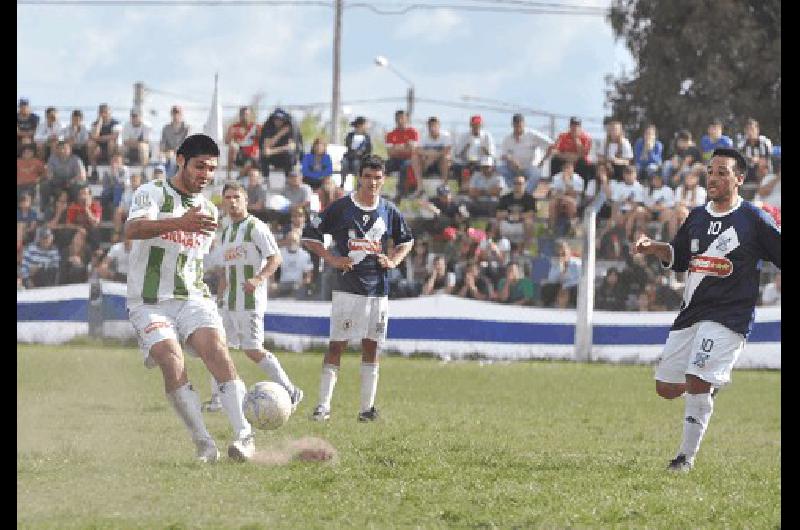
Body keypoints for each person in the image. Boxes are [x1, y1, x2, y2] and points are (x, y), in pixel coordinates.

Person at [634, 147, 780, 472]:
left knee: (697, 379)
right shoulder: (698, 216)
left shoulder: (753, 219)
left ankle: (684, 459)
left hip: (729, 318)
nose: (713, 178)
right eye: (710, 171)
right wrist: (655, 248)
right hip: (691, 314)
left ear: (739, 179)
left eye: (722, 172)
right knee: (667, 389)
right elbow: (680, 258)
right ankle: (708, 388)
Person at [124, 133, 256, 462]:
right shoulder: (151, 192)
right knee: (171, 359)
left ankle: (244, 436)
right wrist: (180, 222)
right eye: (199, 167)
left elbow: (197, 259)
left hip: (193, 296)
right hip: (149, 301)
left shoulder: (209, 210)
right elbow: (133, 230)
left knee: (217, 352)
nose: (205, 175)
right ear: (180, 160)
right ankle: (204, 443)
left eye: (211, 169)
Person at [301, 154, 414, 422]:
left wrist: (394, 260)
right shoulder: (341, 208)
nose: (372, 183)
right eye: (368, 177)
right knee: (337, 345)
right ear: (359, 177)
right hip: (347, 288)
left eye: (377, 178)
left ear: (383, 180)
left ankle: (366, 409)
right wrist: (331, 259)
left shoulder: (388, 210)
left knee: (372, 346)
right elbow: (310, 235)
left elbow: (406, 240)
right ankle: (323, 406)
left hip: (378, 290)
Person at [202, 182, 304, 413]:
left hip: (250, 301)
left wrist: (258, 279)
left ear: (246, 200)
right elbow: (226, 271)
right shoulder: (226, 232)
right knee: (216, 347)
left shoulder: (256, 227)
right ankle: (218, 399)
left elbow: (275, 258)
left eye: (236, 197)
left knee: (252, 350)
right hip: (228, 301)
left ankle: (291, 390)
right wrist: (220, 298)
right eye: (227, 197)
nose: (232, 201)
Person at [498, 113, 550, 191]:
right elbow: (502, 155)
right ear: (512, 124)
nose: (518, 127)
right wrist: (510, 160)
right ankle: (512, 192)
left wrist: (542, 161)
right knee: (499, 169)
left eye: (520, 124)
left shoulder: (532, 134)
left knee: (536, 173)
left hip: (530, 168)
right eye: (516, 124)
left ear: (524, 123)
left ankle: (526, 194)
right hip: (514, 169)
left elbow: (552, 145)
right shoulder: (507, 139)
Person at [385, 110, 420, 199]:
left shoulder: (413, 132)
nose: (400, 120)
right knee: (380, 166)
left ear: (407, 119)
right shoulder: (390, 134)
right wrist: (405, 146)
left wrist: (397, 147)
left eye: (402, 118)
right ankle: (375, 191)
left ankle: (400, 193)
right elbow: (390, 152)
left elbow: (413, 150)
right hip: (394, 159)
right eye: (397, 118)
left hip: (409, 160)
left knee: (405, 166)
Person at [412, 116, 453, 188]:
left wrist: (434, 155)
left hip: (441, 164)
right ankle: (420, 187)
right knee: (415, 158)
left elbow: (447, 150)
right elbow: (417, 150)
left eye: (434, 125)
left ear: (439, 126)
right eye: (430, 126)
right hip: (427, 163)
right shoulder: (424, 136)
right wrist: (429, 155)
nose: (432, 128)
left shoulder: (445, 136)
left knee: (445, 158)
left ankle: (445, 186)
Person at [224, 106, 260, 179]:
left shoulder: (256, 127)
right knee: (232, 146)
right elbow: (226, 142)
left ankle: (238, 178)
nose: (244, 116)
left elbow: (262, 142)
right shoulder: (234, 127)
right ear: (240, 116)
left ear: (250, 115)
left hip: (252, 155)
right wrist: (231, 135)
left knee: (250, 163)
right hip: (240, 154)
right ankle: (228, 175)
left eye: (246, 114)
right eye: (242, 114)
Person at [259, 108, 296, 177]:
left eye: (281, 119)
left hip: (285, 158)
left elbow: (292, 146)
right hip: (273, 158)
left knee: (289, 153)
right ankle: (265, 178)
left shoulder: (290, 128)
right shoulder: (268, 128)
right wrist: (279, 135)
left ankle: (288, 179)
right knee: (263, 156)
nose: (278, 121)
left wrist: (273, 151)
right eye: (276, 119)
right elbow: (266, 150)